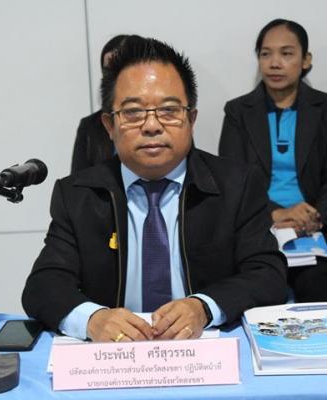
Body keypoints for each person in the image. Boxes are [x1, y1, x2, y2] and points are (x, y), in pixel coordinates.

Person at [23, 35, 287, 342]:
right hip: (114, 356)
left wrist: (204, 307)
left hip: (205, 350)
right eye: (133, 112)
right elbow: (44, 285)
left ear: (191, 119)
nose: (151, 126)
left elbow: (267, 274)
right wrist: (93, 319)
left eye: (169, 110)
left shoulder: (236, 184)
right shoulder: (78, 194)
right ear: (109, 126)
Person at [219, 19, 327, 302]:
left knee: (317, 285)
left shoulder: (323, 108)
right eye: (266, 54)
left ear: (306, 60)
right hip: (258, 225)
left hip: (313, 228)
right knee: (257, 286)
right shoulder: (238, 112)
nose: (274, 63)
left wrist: (314, 217)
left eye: (286, 53)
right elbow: (231, 178)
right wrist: (275, 213)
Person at [71, 34, 129, 173]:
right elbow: (77, 182)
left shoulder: (165, 119)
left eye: (122, 67)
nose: (115, 76)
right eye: (109, 70)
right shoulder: (90, 127)